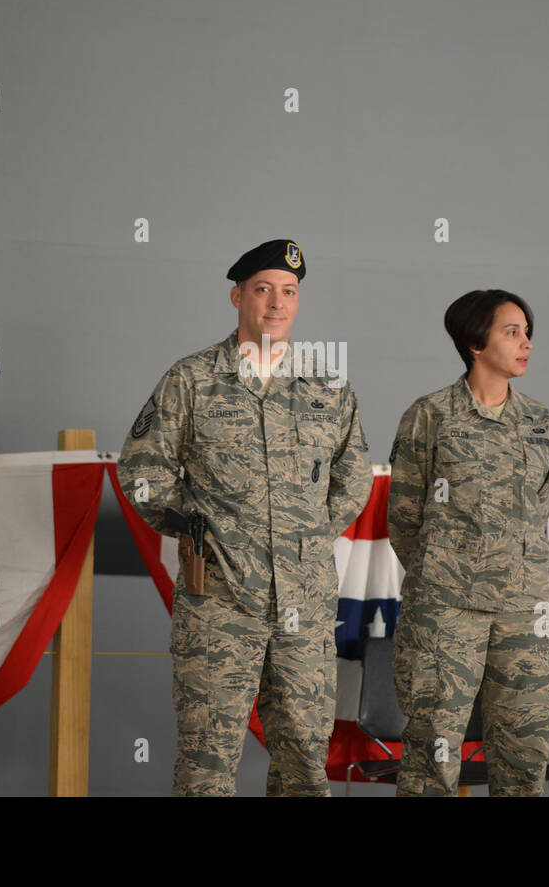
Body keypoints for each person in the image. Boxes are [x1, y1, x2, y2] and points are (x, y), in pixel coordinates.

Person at [117, 238, 373, 796]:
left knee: (305, 765)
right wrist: (200, 530)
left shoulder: (329, 388)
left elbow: (353, 478)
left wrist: (303, 538)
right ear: (237, 297)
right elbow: (141, 473)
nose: (276, 303)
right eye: (263, 290)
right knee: (206, 767)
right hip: (220, 604)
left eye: (289, 291)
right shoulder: (192, 380)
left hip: (303, 607)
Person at [386, 289, 549, 796]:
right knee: (433, 754)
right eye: (512, 332)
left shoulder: (540, 422)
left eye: (527, 332)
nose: (526, 342)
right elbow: (404, 519)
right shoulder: (430, 415)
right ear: (474, 342)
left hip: (525, 610)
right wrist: (446, 575)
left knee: (524, 754)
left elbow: (538, 512)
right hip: (447, 610)